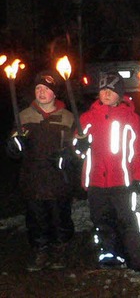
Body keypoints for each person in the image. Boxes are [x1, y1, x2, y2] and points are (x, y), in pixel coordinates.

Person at [77, 71, 140, 274]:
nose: (106, 94)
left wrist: (139, 175)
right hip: (96, 180)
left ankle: (137, 257)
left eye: (111, 90)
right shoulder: (87, 118)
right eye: (103, 90)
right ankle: (110, 254)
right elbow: (77, 149)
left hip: (122, 179)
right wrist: (80, 144)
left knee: (127, 219)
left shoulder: (130, 118)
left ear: (120, 94)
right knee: (101, 218)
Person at [5, 70, 76, 271]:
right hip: (33, 178)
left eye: (46, 88)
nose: (42, 92)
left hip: (58, 179)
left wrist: (68, 157)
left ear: (54, 93)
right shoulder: (24, 116)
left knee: (59, 216)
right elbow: (14, 150)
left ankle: (61, 249)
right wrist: (14, 145)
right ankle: (40, 250)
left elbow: (76, 150)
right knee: (36, 218)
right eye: (38, 88)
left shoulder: (68, 117)